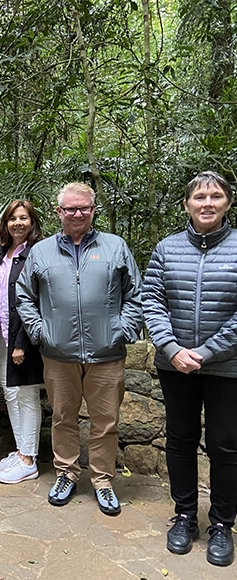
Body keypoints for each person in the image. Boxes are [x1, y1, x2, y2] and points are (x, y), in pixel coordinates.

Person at [16, 182, 143, 516]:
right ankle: (67, 473)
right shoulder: (41, 251)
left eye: (83, 208)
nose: (76, 214)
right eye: (69, 208)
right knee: (63, 418)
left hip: (107, 354)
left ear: (92, 210)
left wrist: (122, 330)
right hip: (58, 355)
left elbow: (135, 295)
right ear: (59, 212)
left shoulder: (115, 247)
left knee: (106, 421)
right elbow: (24, 297)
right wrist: (41, 333)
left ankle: (102, 480)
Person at [143, 171, 237, 567]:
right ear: (186, 204)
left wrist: (206, 351)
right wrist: (171, 348)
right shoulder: (166, 248)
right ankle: (184, 516)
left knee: (225, 445)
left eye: (216, 196)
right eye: (199, 197)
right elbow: (151, 299)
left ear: (228, 203)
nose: (207, 203)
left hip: (226, 368)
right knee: (180, 439)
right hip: (175, 365)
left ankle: (222, 524)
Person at [0, 200, 44, 484]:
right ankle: (21, 449)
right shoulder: (0, 252)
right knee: (11, 394)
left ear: (32, 221)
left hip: (23, 338)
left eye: (23, 218)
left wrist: (23, 341)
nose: (18, 223)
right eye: (12, 218)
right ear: (6, 223)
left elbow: (37, 300)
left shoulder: (38, 253)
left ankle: (29, 459)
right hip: (1, 335)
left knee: (27, 395)